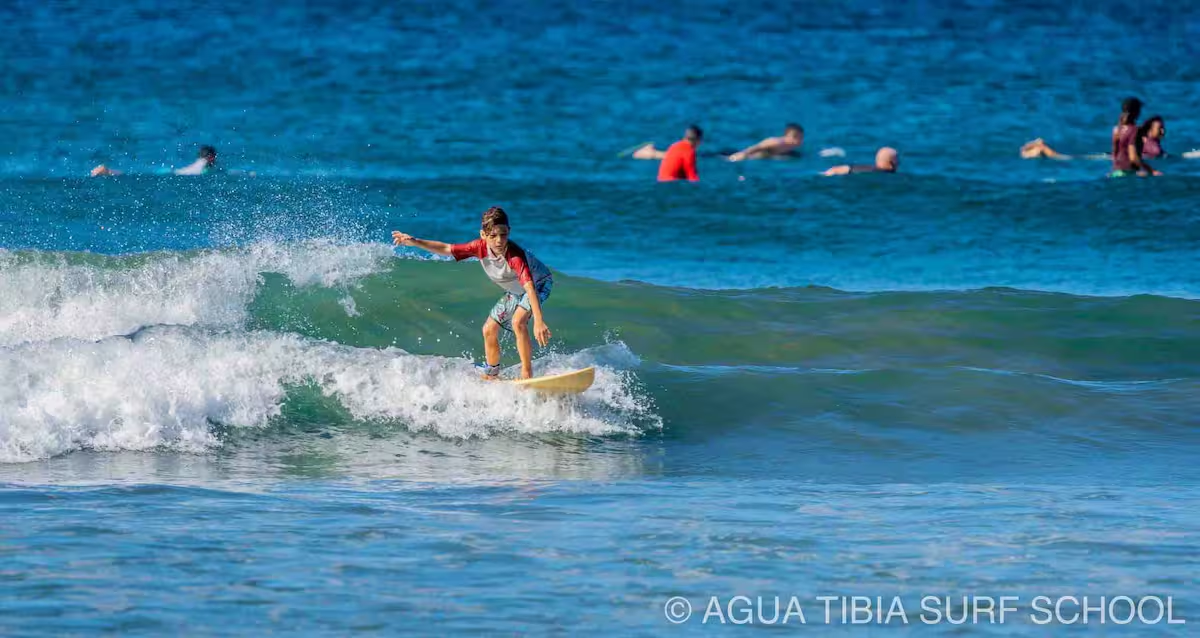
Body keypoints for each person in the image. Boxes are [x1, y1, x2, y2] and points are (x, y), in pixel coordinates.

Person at [391, 207, 553, 380]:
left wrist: (538, 321)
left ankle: (526, 374)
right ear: (483, 235)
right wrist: (415, 242)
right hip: (515, 291)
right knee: (488, 329)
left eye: (503, 234)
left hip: (538, 284)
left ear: (509, 231)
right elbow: (446, 248)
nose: (499, 240)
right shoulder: (479, 247)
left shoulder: (514, 256)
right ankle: (492, 374)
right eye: (493, 235)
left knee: (517, 322)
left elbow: (529, 287)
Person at [89, 144, 220, 177]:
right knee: (134, 176)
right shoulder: (205, 167)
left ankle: (109, 171)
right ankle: (108, 171)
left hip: (170, 171)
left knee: (134, 175)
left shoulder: (199, 162)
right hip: (173, 174)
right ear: (211, 157)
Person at [1110, 97, 1158, 177]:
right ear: (1136, 112)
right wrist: (1152, 171)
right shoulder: (1135, 130)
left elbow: (1115, 154)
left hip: (1116, 172)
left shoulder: (1116, 129)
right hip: (1129, 173)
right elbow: (1133, 157)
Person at [727, 123, 804, 161]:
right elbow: (756, 147)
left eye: (800, 138)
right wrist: (742, 154)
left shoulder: (792, 151)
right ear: (785, 135)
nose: (797, 140)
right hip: (740, 154)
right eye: (794, 137)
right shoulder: (775, 142)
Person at [823, 147, 899, 176]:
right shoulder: (880, 173)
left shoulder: (869, 168)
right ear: (891, 162)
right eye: (896, 159)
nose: (899, 162)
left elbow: (835, 170)